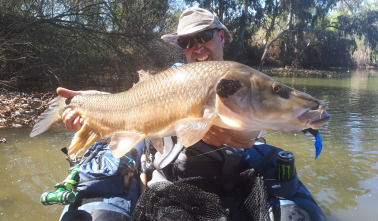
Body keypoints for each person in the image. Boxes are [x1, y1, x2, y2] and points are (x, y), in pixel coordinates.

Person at [58, 7, 326, 221]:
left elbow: (246, 135)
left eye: (205, 36)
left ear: (221, 36)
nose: (197, 48)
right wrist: (91, 102)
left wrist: (291, 116)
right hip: (172, 173)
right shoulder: (171, 79)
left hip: (229, 177)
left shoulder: (236, 79)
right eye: (188, 42)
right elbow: (125, 103)